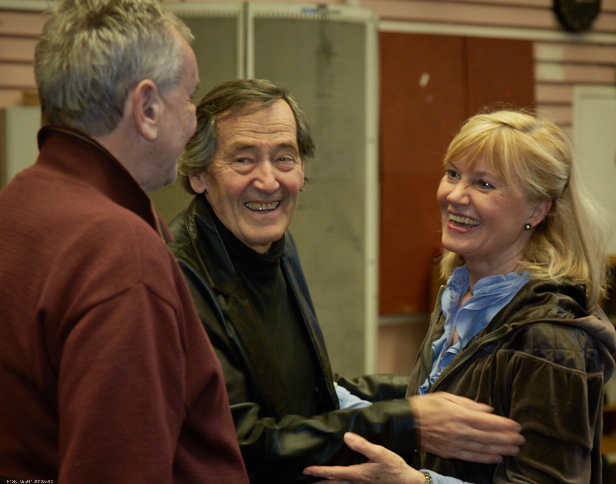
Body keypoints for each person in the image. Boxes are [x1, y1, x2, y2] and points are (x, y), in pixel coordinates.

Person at [168, 79, 525, 483]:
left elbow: (308, 388)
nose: (269, 182)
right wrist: (407, 421)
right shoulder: (178, 278)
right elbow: (240, 444)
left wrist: (427, 393)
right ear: (198, 174)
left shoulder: (273, 245)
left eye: (284, 158)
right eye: (243, 160)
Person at [0, 1, 248, 482]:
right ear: (147, 108)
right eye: (190, 97)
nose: (194, 121)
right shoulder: (119, 253)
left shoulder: (17, 205)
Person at [303, 109, 616, 484]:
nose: (454, 195)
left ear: (537, 209)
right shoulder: (460, 295)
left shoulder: (549, 337)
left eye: (484, 184)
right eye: (453, 174)